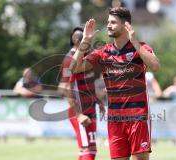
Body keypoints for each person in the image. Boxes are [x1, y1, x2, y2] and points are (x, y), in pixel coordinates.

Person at [70, 7, 160, 160]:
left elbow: (156, 66)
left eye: (113, 22)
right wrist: (85, 41)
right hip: (115, 119)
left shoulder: (141, 47)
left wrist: (135, 43)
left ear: (125, 25)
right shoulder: (103, 51)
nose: (108, 25)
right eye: (108, 22)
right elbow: (74, 68)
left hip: (138, 117)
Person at [59, 26, 105, 160]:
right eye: (86, 40)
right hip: (80, 111)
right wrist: (78, 115)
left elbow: (88, 84)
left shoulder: (87, 58)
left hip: (91, 109)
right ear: (77, 41)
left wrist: (98, 101)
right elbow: (65, 86)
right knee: (89, 150)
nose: (90, 43)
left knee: (86, 150)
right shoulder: (69, 60)